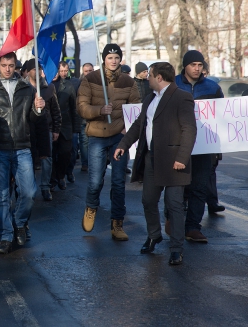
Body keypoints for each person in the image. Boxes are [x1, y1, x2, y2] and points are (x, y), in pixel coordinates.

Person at [115, 62, 197, 266]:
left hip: (174, 161)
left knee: (174, 205)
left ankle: (176, 249)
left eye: (150, 75)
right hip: (152, 159)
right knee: (148, 200)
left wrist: (182, 158)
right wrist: (124, 144)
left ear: (159, 77)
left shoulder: (182, 97)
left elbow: (189, 129)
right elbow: (138, 125)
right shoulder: (150, 98)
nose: (147, 78)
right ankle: (154, 235)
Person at [0, 52, 44, 253]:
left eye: (11, 65)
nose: (7, 69)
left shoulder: (27, 88)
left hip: (22, 147)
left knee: (29, 192)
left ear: (16, 66)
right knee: (1, 196)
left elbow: (32, 120)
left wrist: (38, 109)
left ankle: (20, 223)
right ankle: (6, 235)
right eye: (4, 65)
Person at [77, 44, 140, 240]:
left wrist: (126, 130)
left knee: (119, 182)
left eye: (116, 57)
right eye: (110, 57)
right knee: (96, 181)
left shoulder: (129, 81)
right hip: (96, 135)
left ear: (120, 59)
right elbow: (81, 107)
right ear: (104, 59)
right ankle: (91, 207)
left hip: (119, 137)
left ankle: (117, 223)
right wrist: (98, 111)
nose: (113, 61)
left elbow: (136, 110)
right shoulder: (91, 79)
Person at [175, 50, 224, 242]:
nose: (197, 68)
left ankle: (193, 227)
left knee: (199, 187)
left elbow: (222, 117)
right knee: (177, 187)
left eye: (200, 65)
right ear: (185, 66)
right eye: (193, 65)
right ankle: (174, 221)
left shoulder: (213, 87)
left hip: (204, 146)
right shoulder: (174, 85)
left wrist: (218, 147)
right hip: (179, 146)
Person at [23, 58, 61, 201]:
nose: (37, 71)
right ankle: (30, 187)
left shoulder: (49, 88)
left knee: (47, 158)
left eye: (39, 69)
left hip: (46, 128)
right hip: (28, 129)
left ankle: (45, 187)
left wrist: (56, 129)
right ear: (28, 71)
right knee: (29, 159)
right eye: (34, 69)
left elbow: (56, 111)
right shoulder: (23, 88)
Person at [52, 61, 80, 187]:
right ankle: (52, 180)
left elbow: (73, 107)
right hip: (51, 126)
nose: (63, 73)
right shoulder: (46, 85)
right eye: (60, 70)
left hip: (66, 126)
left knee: (66, 153)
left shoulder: (68, 85)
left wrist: (76, 128)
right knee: (51, 155)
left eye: (65, 71)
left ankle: (61, 175)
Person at [73, 63, 94, 172]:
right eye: (86, 71)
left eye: (90, 70)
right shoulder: (78, 84)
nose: (88, 73)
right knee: (84, 141)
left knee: (95, 141)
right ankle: (85, 163)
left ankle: (95, 163)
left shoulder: (98, 83)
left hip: (95, 117)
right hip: (83, 118)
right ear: (83, 72)